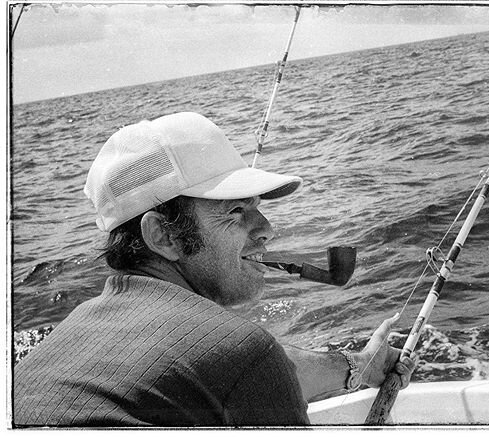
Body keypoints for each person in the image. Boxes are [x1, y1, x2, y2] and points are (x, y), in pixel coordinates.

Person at [13, 112, 416, 427]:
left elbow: (216, 374)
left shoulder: (48, 355)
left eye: (257, 207)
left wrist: (356, 367)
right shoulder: (241, 354)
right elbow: (240, 365)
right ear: (163, 236)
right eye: (236, 212)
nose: (267, 230)